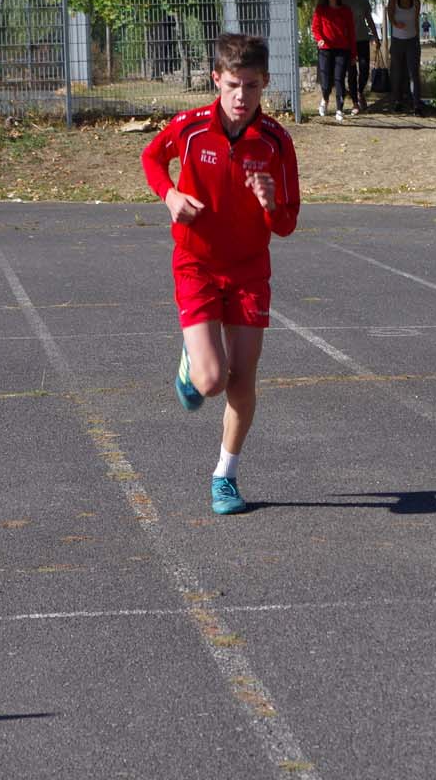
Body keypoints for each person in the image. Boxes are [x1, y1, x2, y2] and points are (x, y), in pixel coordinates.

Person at [141, 33, 300, 515]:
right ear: (216, 79)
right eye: (233, 84)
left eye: (252, 86)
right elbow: (151, 158)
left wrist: (271, 205)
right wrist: (169, 196)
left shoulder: (276, 143)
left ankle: (224, 477)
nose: (241, 96)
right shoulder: (189, 128)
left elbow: (288, 223)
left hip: (250, 271)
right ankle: (194, 363)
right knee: (211, 382)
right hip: (197, 264)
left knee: (242, 382)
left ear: (265, 84)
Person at [309, 0, 355, 119]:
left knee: (339, 78)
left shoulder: (345, 10)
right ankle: (325, 99)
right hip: (326, 49)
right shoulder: (320, 9)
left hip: (342, 49)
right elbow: (315, 28)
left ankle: (339, 109)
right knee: (326, 79)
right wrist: (320, 39)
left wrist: (353, 54)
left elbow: (352, 33)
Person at [339, 0, 378, 113]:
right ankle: (355, 101)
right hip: (347, 41)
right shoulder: (341, 0)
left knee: (364, 68)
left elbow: (369, 18)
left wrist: (375, 36)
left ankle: (360, 91)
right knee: (352, 72)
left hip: (362, 38)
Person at [384, 0, 423, 114]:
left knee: (414, 73)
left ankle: (417, 104)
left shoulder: (416, 2)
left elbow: (416, 21)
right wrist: (395, 23)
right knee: (397, 72)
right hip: (397, 41)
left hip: (412, 40)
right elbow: (390, 16)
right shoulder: (393, 0)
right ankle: (397, 101)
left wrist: (417, 39)